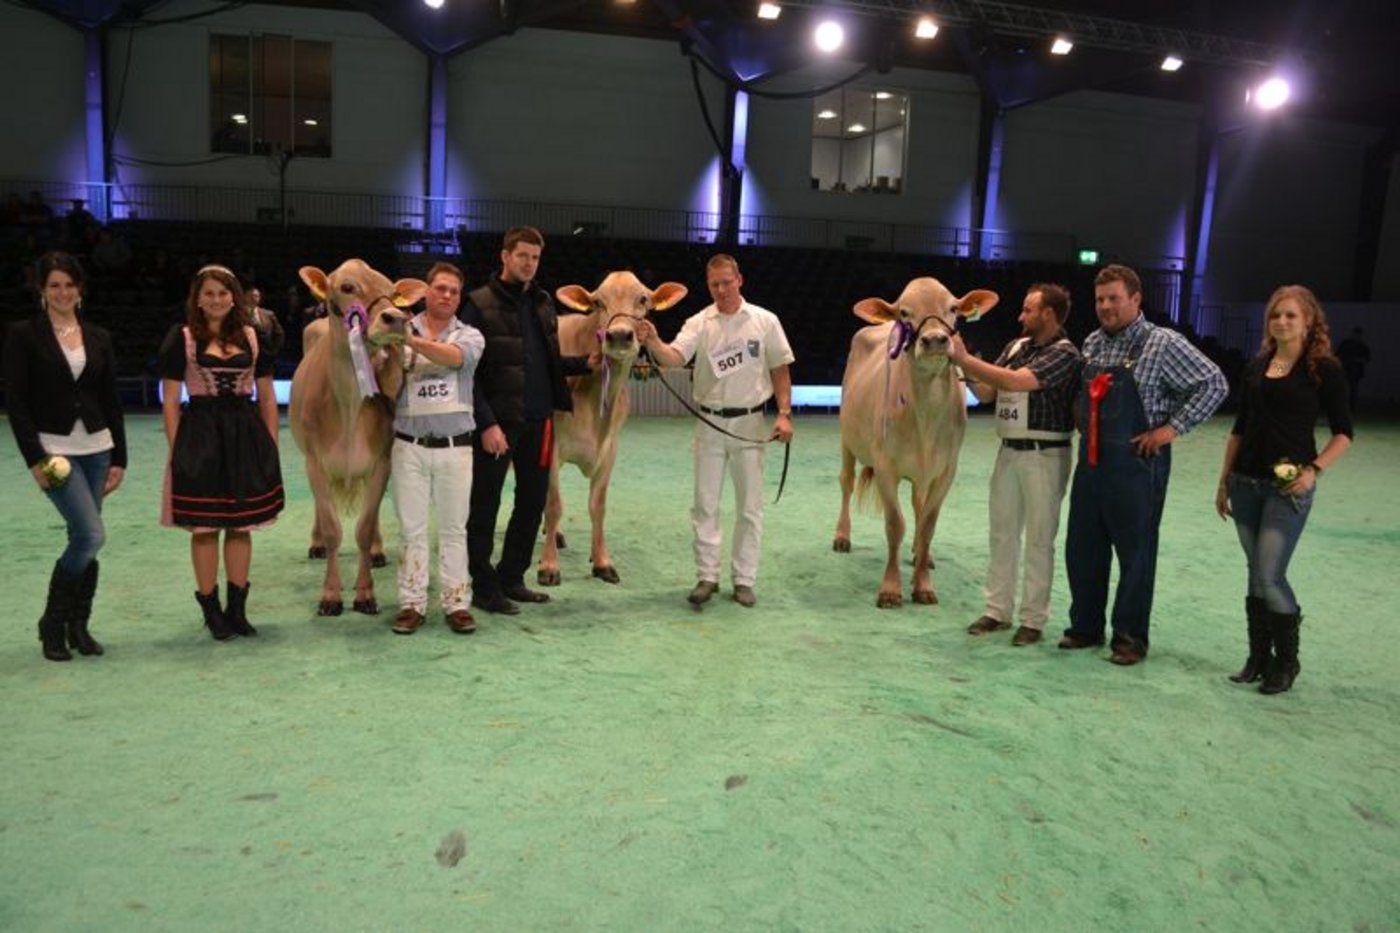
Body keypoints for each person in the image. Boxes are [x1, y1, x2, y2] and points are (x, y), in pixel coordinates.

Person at [1061, 264, 1227, 665]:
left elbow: (1214, 383)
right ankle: (1085, 627)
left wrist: (1171, 429)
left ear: (1136, 299)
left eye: (1114, 298)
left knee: (1135, 554)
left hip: (1136, 465)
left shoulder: (1163, 342)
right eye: (1100, 299)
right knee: (1082, 548)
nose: (1106, 306)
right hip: (1091, 465)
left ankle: (1129, 638)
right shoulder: (1093, 342)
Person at [636, 253, 794, 608]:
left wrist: (784, 414)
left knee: (749, 507)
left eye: (726, 282)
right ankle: (707, 576)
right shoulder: (699, 322)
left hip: (750, 423)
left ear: (740, 280)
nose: (721, 289)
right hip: (708, 423)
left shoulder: (765, 321)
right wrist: (653, 342)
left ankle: (744, 579)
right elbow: (675, 357)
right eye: (714, 284)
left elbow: (780, 370)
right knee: (705, 504)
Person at [1215, 286, 1352, 694]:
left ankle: (1287, 662)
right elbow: (1239, 429)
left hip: (1286, 488)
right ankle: (1257, 658)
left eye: (1291, 315)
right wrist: (1224, 481)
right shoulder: (1257, 366)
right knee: (1255, 573)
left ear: (1309, 321)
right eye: (1276, 315)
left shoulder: (1324, 370)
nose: (1282, 322)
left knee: (1270, 573)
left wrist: (1313, 471)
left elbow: (1344, 433)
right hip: (1245, 483)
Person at [462, 226, 594, 616]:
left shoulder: (543, 302)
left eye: (535, 258)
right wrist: (486, 423)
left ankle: (511, 577)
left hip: (540, 421)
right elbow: (466, 373)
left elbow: (546, 361)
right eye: (522, 255)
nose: (529, 263)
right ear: (505, 256)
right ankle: (482, 587)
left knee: (532, 502)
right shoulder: (478, 304)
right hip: (497, 425)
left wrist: (585, 363)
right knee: (484, 506)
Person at [4, 252, 126, 661]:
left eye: (69, 285)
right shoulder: (23, 335)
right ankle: (52, 623)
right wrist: (34, 460)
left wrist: (120, 459)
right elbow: (17, 403)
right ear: (42, 290)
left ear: (80, 290)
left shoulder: (98, 336)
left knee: (83, 538)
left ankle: (79, 626)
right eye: (54, 285)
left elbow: (110, 400)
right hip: (54, 454)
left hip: (98, 450)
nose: (62, 292)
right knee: (91, 535)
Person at [949, 284, 1082, 647]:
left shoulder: (1065, 354)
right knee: (1002, 533)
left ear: (1049, 314)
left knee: (1040, 538)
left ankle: (1033, 619)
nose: (1021, 316)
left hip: (1046, 453)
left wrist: (965, 360)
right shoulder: (1016, 347)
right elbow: (988, 393)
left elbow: (1016, 382)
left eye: (1028, 310)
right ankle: (997, 610)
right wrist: (962, 365)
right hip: (1008, 449)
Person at [159, 264, 284, 640]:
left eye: (223, 293)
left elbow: (266, 396)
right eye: (209, 293)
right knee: (205, 527)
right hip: (200, 434)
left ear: (234, 298)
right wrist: (177, 448)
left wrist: (271, 444)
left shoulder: (253, 336)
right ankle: (211, 610)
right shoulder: (181, 337)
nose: (216, 299)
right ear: (197, 299)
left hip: (245, 433)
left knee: (240, 525)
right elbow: (170, 400)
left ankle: (237, 609)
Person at [388, 262, 485, 636]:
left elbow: (455, 358)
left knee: (454, 529)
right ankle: (412, 604)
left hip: (455, 447)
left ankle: (456, 603)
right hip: (408, 445)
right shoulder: (396, 327)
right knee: (410, 530)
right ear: (426, 291)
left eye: (454, 291)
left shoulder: (470, 336)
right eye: (440, 288)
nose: (446, 295)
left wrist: (408, 342)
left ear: (459, 298)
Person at [242, 285, 286, 361]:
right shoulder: (238, 314)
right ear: (244, 297)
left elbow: (279, 334)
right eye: (250, 296)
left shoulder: (268, 314)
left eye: (256, 296)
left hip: (266, 357)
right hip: (245, 357)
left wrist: (274, 351)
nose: (253, 298)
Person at [1335, 327, 1370, 412]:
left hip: (1354, 372)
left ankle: (1350, 409)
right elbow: (1337, 355)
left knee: (1352, 391)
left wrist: (1355, 360)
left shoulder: (1362, 346)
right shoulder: (1346, 344)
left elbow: (1366, 359)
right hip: (1344, 370)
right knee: (1342, 390)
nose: (1356, 336)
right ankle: (1342, 408)